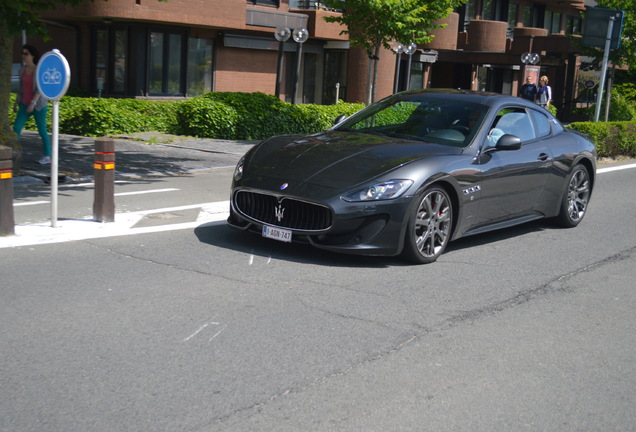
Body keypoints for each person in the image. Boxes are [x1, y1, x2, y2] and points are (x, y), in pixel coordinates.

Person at [13, 44, 51, 165]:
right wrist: (16, 102)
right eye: (22, 54)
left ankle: (47, 156)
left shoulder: (38, 70)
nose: (23, 56)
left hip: (38, 105)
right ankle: (15, 153)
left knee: (42, 130)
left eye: (26, 54)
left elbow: (40, 89)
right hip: (24, 103)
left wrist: (33, 103)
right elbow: (21, 88)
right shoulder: (22, 70)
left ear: (32, 55)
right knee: (16, 128)